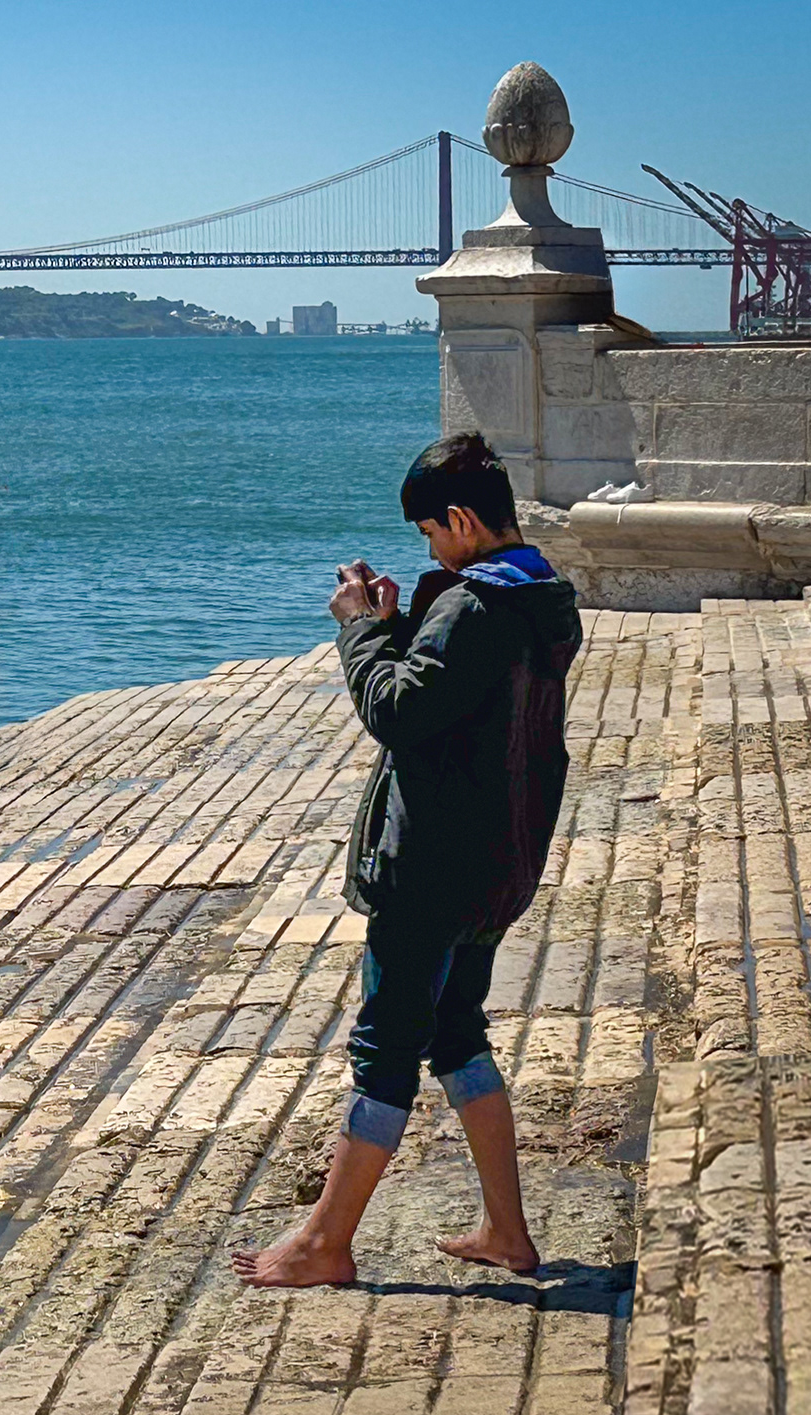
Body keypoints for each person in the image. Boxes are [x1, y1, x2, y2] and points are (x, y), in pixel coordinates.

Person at [233, 431, 582, 1289]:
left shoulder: (474, 609)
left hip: (433, 864)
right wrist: (396, 627)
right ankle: (507, 1232)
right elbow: (448, 701)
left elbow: (396, 712)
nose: (428, 548)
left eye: (430, 533)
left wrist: (359, 629)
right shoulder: (546, 596)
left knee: (385, 1046)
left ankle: (326, 1243)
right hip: (501, 858)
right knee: (457, 1031)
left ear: (460, 520)